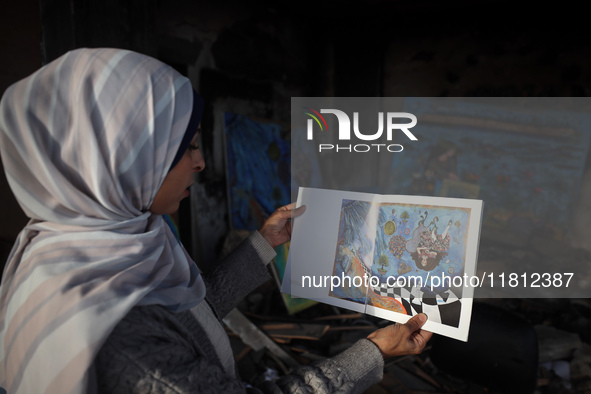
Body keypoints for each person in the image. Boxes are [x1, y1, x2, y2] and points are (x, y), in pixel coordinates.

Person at [0, 48, 432, 394]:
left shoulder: (92, 244)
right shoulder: (118, 339)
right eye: (185, 148)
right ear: (117, 162)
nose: (202, 161)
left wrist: (263, 244)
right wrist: (373, 351)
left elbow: (188, 318)